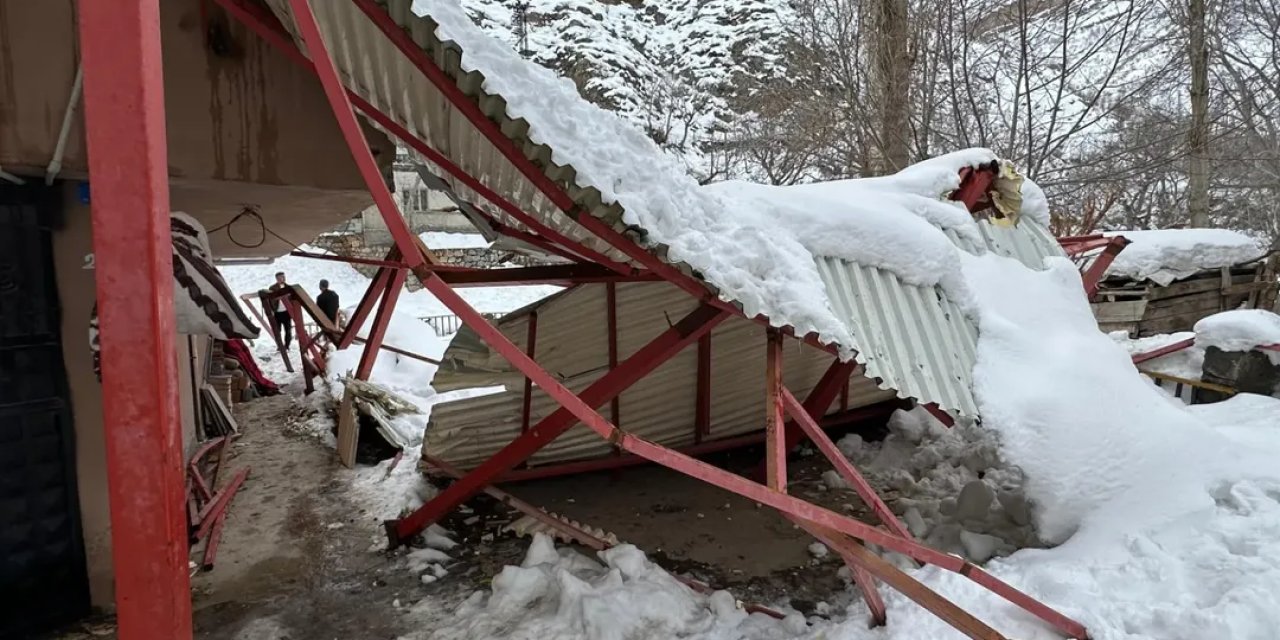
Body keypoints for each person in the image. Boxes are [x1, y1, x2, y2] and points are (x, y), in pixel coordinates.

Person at [268, 271, 292, 348]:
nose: (284, 278)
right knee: (277, 331)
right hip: (277, 312)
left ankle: (287, 346)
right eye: (282, 277)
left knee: (288, 330)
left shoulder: (288, 287)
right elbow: (270, 299)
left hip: (286, 312)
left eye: (284, 277)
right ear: (277, 278)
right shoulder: (272, 288)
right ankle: (280, 346)